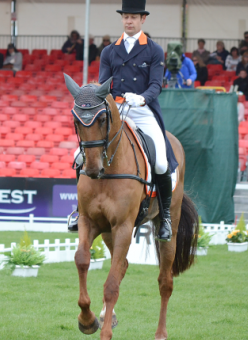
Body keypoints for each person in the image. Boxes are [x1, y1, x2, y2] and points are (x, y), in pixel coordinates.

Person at [70, 0, 178, 242]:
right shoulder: (109, 51)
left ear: (143, 20)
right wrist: (110, 102)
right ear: (122, 19)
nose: (129, 21)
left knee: (160, 161)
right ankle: (79, 211)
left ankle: (166, 217)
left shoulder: (153, 50)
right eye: (125, 17)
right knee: (79, 155)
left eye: (134, 17)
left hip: (142, 109)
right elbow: (102, 86)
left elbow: (156, 85)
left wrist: (141, 98)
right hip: (114, 109)